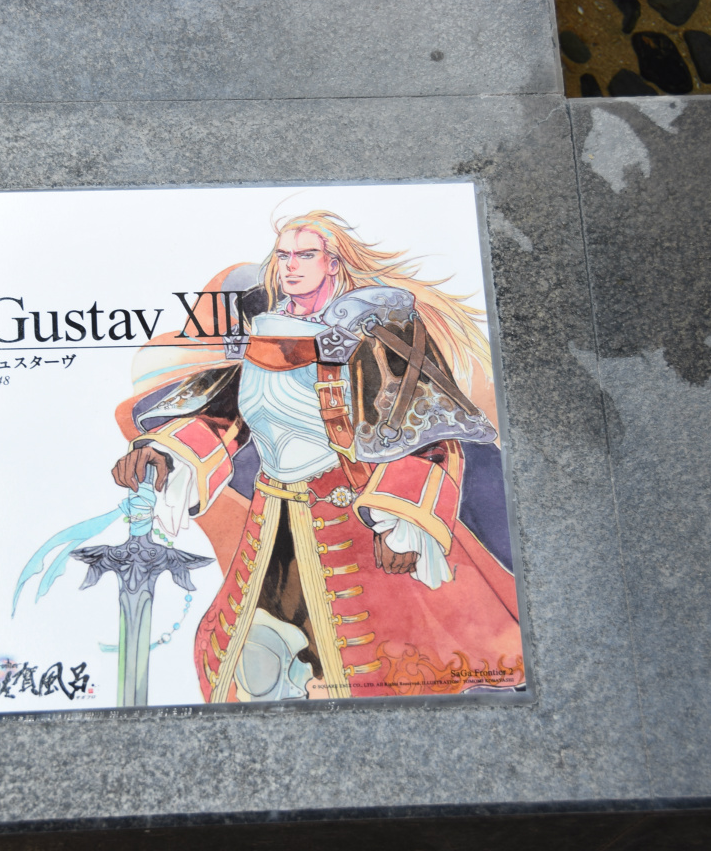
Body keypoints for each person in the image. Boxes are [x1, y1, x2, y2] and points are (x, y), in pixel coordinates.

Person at [112, 211, 524, 702]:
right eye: (284, 255)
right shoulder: (265, 330)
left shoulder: (379, 328)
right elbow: (233, 413)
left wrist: (402, 524)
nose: (291, 265)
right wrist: (164, 455)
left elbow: (425, 434)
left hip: (358, 520)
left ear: (332, 263)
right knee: (254, 668)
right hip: (272, 521)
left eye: (305, 254)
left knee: (388, 667)